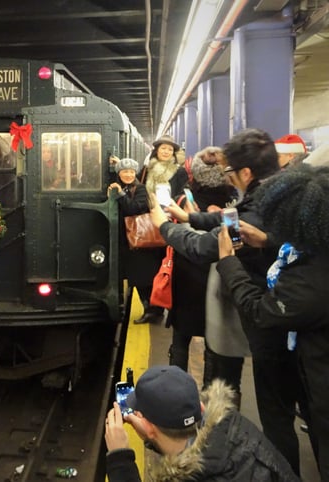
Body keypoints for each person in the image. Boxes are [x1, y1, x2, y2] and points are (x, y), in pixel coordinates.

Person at [149, 128, 306, 475]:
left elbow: (205, 247)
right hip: (276, 319)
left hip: (264, 320)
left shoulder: (260, 207)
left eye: (230, 173)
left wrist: (166, 227)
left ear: (246, 173)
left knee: (274, 415)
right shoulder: (275, 195)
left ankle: (280, 472)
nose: (228, 179)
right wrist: (190, 217)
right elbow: (233, 219)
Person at [217, 164, 329, 480]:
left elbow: (261, 311)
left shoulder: (309, 282)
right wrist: (267, 240)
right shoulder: (317, 247)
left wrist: (228, 263)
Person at [104, 365, 299, 481]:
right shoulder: (234, 428)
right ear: (201, 407)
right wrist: (152, 437)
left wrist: (120, 461)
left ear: (149, 427)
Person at [165, 147, 236, 371]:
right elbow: (236, 238)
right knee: (213, 338)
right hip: (220, 272)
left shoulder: (185, 196)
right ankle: (209, 390)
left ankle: (175, 386)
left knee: (181, 337)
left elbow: (176, 230)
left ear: (195, 171)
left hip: (187, 272)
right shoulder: (234, 199)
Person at [133, 135, 184, 325]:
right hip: (147, 223)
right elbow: (137, 188)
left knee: (164, 267)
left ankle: (162, 307)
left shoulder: (179, 172)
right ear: (156, 150)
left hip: (168, 221)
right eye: (163, 148)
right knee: (143, 268)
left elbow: (181, 195)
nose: (166, 152)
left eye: (169, 150)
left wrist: (171, 209)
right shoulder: (146, 170)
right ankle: (149, 307)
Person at [108, 158, 161, 322]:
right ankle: (150, 310)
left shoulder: (140, 189)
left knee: (144, 278)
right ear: (119, 173)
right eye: (124, 171)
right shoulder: (120, 187)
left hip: (141, 242)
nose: (129, 174)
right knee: (137, 278)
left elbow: (134, 208)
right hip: (130, 240)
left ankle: (152, 311)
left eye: (131, 171)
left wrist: (121, 195)